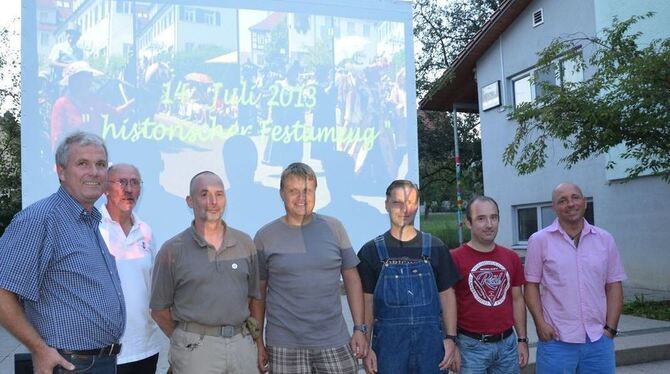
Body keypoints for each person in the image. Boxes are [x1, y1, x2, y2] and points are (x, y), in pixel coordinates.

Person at [0, 131, 125, 374]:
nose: (94, 172)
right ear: (61, 171)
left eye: (100, 165)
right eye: (82, 164)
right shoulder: (40, 219)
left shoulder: (88, 221)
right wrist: (38, 349)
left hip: (98, 362)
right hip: (68, 365)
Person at [253, 162, 368, 374]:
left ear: (316, 191)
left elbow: (352, 280)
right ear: (281, 194)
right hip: (284, 345)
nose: (301, 198)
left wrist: (360, 328)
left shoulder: (335, 228)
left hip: (333, 340)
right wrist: (258, 340)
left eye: (307, 190)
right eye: (293, 191)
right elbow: (258, 294)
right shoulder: (264, 236)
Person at [150, 171, 261, 373]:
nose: (213, 201)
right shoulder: (172, 250)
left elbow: (254, 299)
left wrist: (256, 343)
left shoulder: (245, 244)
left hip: (241, 347)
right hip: (196, 350)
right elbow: (159, 310)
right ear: (190, 201)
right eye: (204, 194)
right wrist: (185, 339)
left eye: (219, 194)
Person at [357, 179, 461, 374]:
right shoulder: (370, 251)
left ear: (418, 204)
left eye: (411, 202)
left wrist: (451, 339)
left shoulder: (437, 247)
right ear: (386, 204)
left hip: (431, 347)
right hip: (388, 349)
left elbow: (447, 296)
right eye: (397, 202)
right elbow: (367, 303)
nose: (405, 209)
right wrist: (367, 346)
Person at [525, 183, 627, 373]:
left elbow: (614, 285)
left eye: (575, 197)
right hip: (556, 340)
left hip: (598, 341)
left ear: (585, 202)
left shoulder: (605, 239)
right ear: (553, 208)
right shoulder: (539, 241)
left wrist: (610, 329)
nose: (570, 204)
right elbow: (531, 286)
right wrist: (540, 324)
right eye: (562, 200)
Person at [451, 196, 528, 373]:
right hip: (470, 348)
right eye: (481, 218)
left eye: (493, 217)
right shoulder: (453, 258)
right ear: (468, 223)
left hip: (507, 346)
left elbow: (517, 300)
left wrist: (522, 340)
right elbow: (448, 306)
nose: (489, 224)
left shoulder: (511, 257)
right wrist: (451, 342)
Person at [99, 163, 162, 373]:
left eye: (134, 183)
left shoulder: (146, 231)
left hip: (145, 347)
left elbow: (151, 286)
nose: (129, 189)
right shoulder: (93, 227)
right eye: (122, 182)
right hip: (103, 351)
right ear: (106, 188)